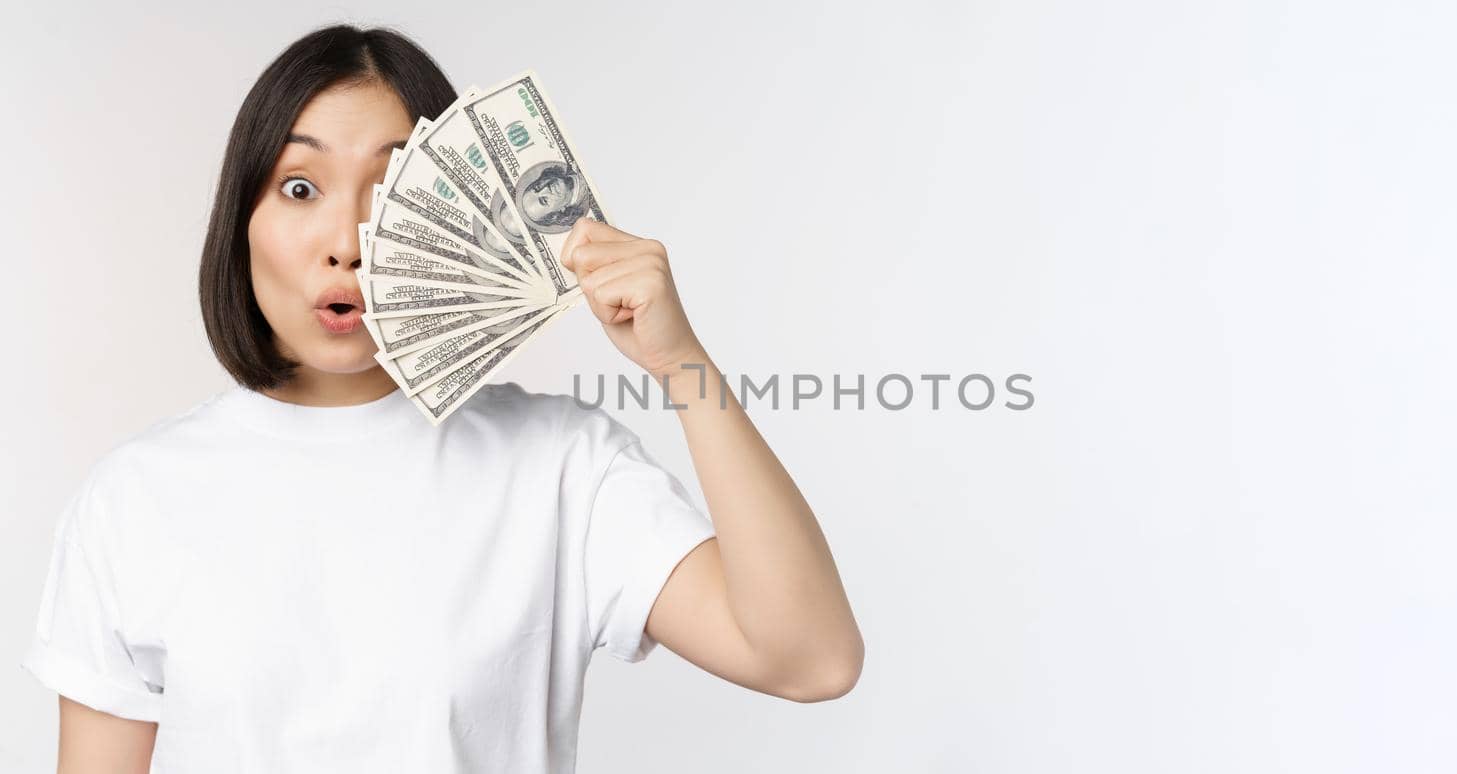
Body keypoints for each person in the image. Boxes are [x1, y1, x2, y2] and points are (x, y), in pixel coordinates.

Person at [18, 24, 863, 772]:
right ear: (240, 220)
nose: (346, 244)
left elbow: (811, 660)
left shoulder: (560, 466)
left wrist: (681, 364)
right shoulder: (135, 497)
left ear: (455, 214)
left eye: (389, 192)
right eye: (300, 187)